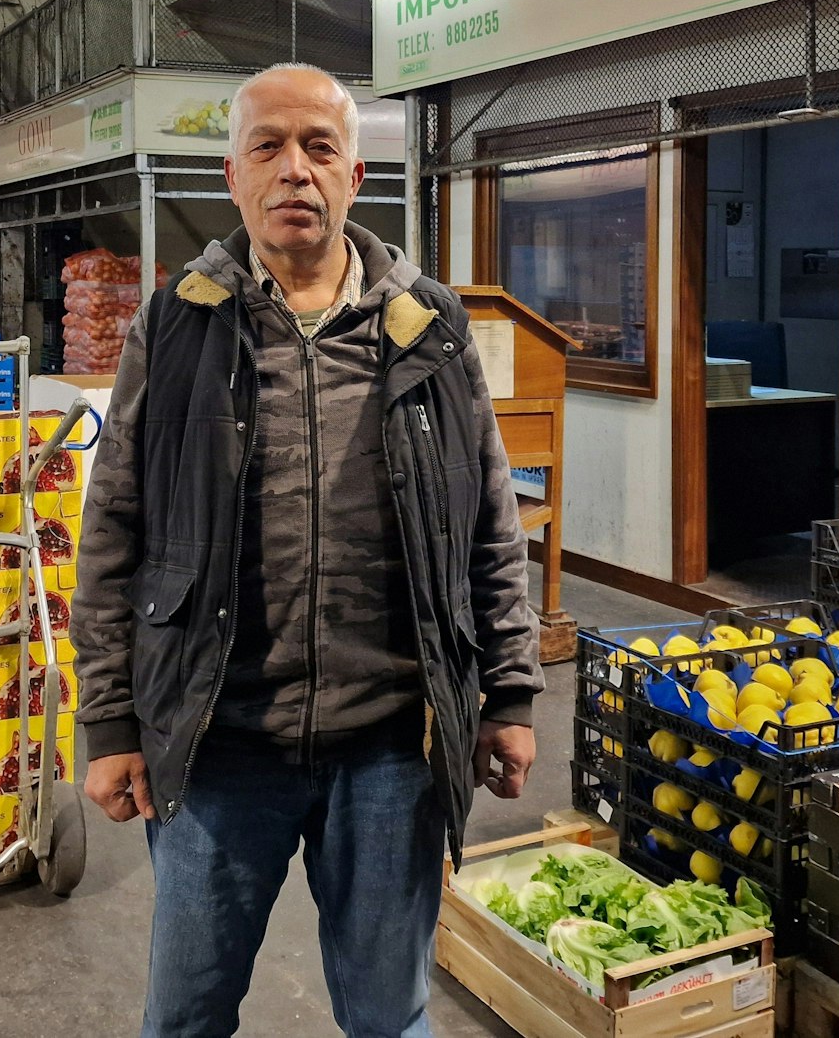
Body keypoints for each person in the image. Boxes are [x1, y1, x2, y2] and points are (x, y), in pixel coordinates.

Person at [71, 63, 542, 1038]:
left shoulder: (427, 328)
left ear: (353, 175)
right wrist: (111, 720)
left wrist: (507, 694)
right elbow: (113, 528)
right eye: (268, 148)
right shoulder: (176, 326)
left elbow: (488, 522)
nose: (295, 170)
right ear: (233, 178)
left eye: (317, 147)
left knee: (386, 1016)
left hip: (387, 750)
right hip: (213, 744)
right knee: (185, 1017)